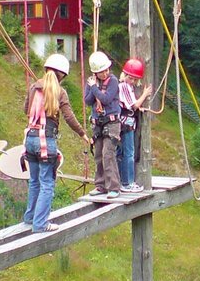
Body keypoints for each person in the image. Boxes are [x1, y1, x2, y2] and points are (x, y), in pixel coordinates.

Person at [23, 54, 91, 233]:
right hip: (46, 141)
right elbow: (69, 117)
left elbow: (25, 110)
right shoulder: (60, 92)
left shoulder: (34, 87)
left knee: (34, 181)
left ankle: (30, 217)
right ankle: (40, 224)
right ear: (62, 75)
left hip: (30, 138)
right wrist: (83, 134)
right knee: (47, 183)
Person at [84, 51, 123, 199]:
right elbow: (88, 100)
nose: (105, 73)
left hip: (111, 123)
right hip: (98, 123)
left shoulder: (113, 81)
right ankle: (100, 185)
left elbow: (106, 99)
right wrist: (93, 88)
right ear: (95, 72)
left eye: (106, 70)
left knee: (108, 154)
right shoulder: (92, 81)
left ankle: (113, 187)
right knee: (99, 154)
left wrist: (94, 88)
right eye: (102, 72)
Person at [117, 58, 153, 192]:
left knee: (125, 152)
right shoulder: (124, 86)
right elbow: (134, 105)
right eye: (130, 78)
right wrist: (145, 94)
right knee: (129, 153)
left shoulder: (128, 87)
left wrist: (139, 107)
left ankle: (124, 181)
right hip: (125, 123)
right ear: (125, 75)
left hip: (128, 121)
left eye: (134, 79)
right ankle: (128, 182)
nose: (132, 81)